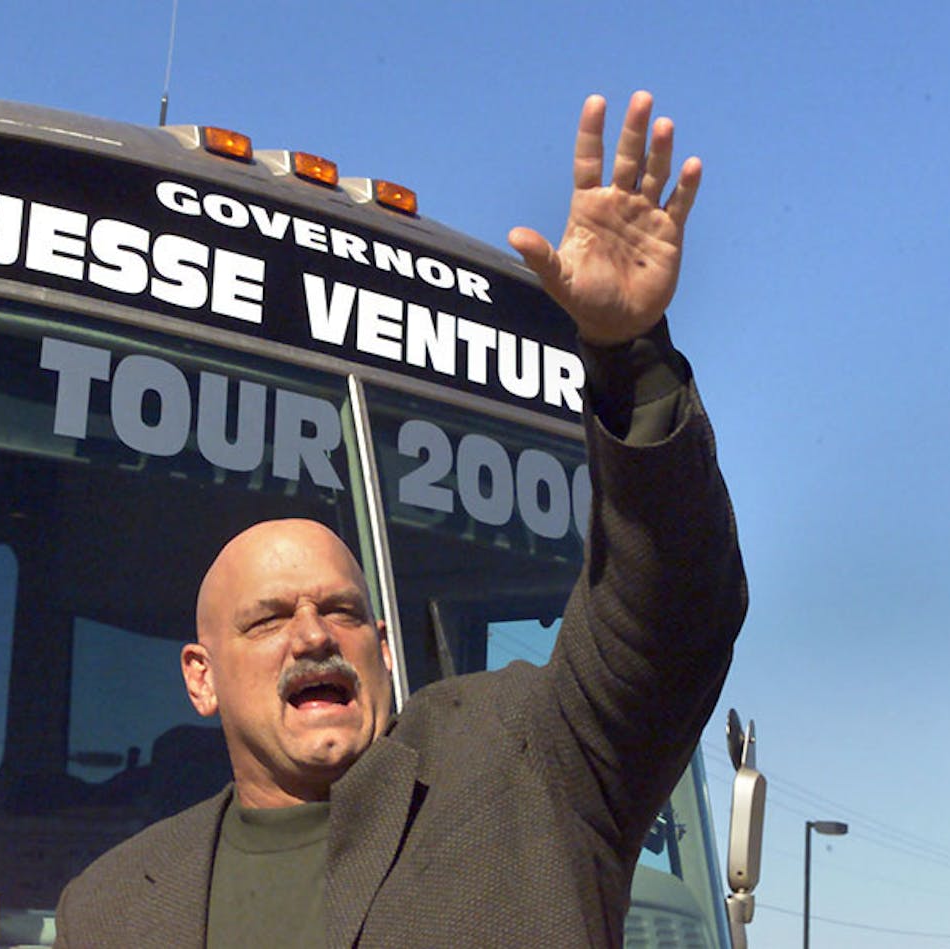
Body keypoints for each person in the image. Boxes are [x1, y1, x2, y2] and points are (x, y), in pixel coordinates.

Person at [54, 90, 747, 948]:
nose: (312, 635)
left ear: (383, 649)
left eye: (341, 610)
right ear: (200, 676)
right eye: (269, 618)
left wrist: (627, 355)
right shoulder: (110, 906)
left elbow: (669, 616)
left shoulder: (531, 767)